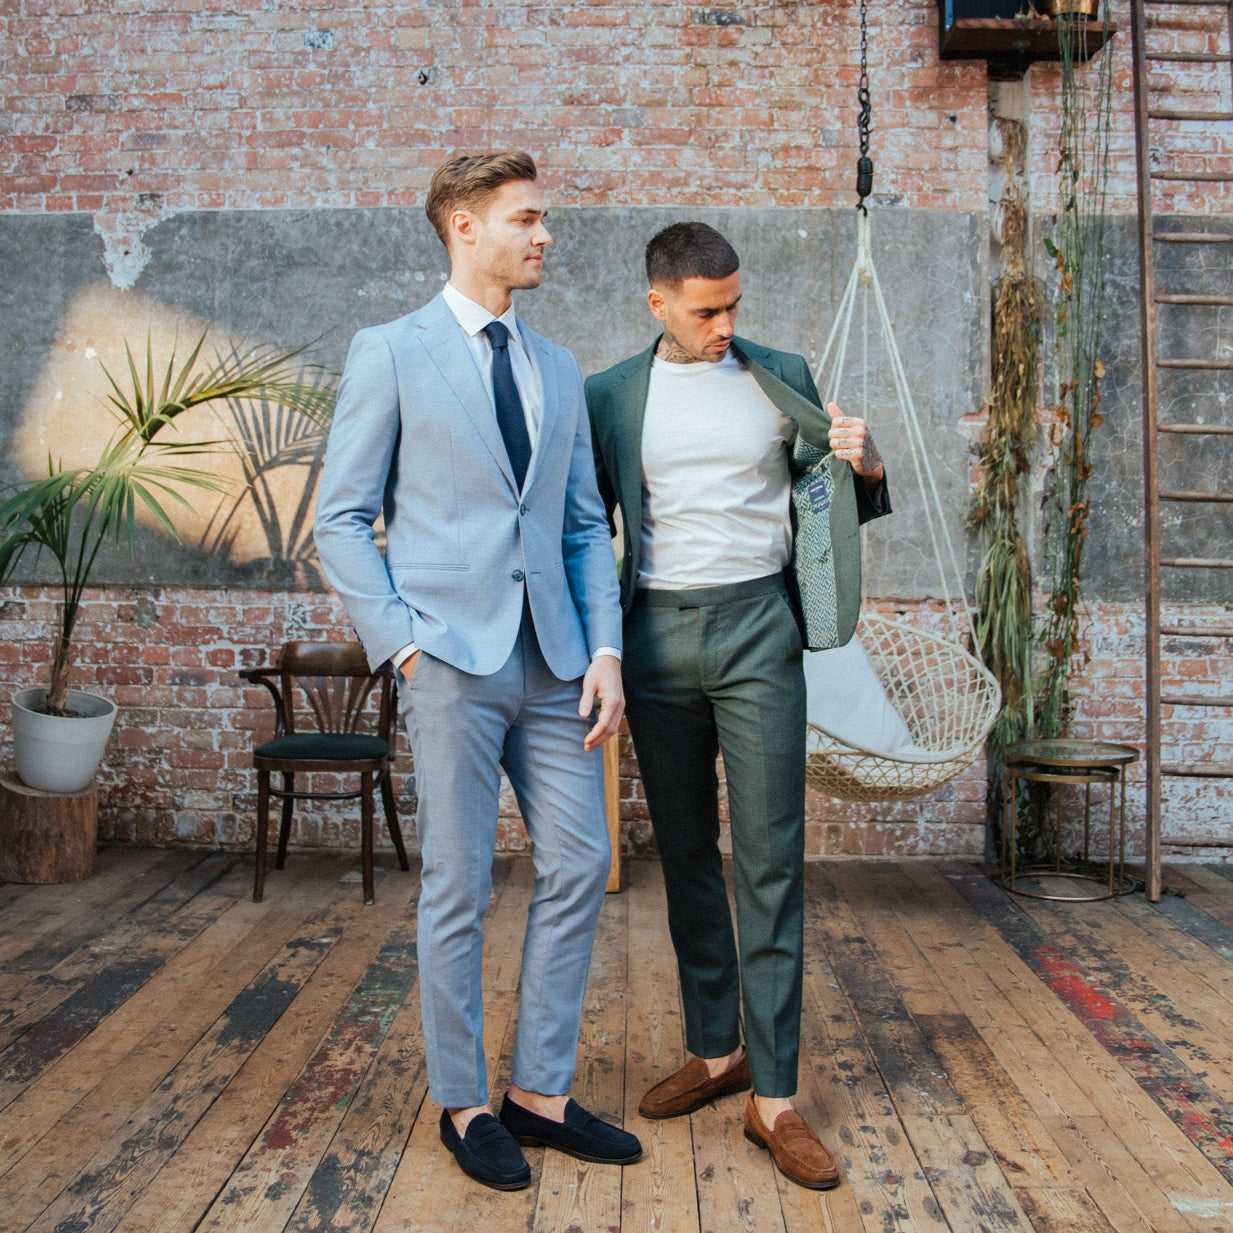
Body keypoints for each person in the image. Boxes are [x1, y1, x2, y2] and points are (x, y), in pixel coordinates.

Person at [314, 150, 640, 1191]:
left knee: (580, 864)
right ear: (464, 226)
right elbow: (341, 517)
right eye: (527, 218)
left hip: (553, 662)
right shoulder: (393, 351)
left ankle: (538, 1094)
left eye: (543, 219)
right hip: (449, 659)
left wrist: (603, 649)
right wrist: (402, 641)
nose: (545, 235)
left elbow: (586, 525)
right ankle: (463, 1104)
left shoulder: (555, 364)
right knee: (458, 884)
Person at [585, 221, 889, 1191]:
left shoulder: (778, 373)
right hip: (659, 641)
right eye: (707, 309)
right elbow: (588, 533)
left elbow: (831, 491)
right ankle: (718, 1050)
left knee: (769, 858)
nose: (725, 324)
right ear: (659, 304)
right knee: (683, 854)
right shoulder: (611, 399)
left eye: (735, 305)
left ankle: (776, 1097)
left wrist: (867, 464)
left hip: (762, 631)